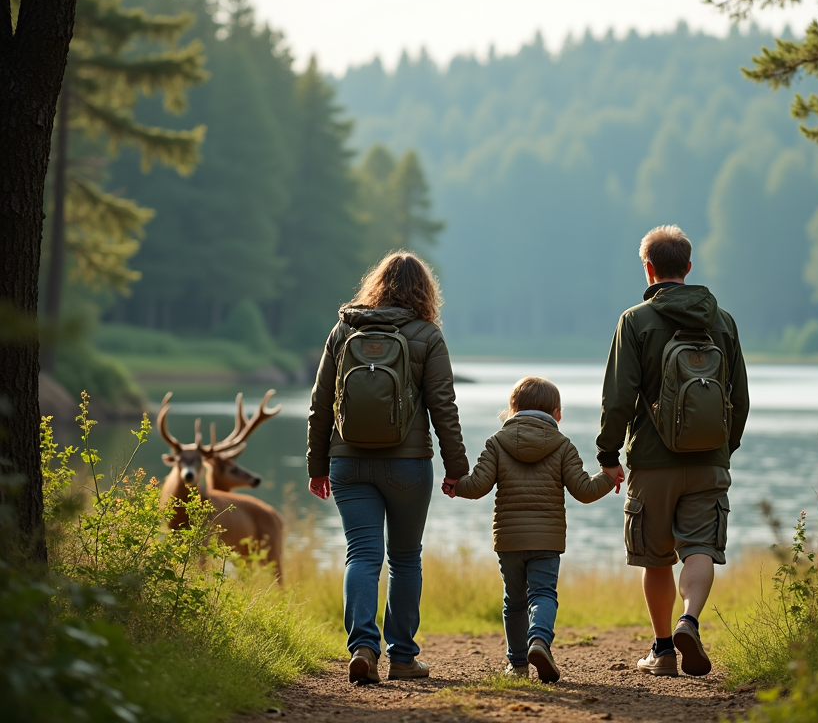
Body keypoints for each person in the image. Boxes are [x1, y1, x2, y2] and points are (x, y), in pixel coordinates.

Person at [306, 251, 470, 684]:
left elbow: (321, 404)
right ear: (425, 290)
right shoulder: (427, 335)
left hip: (347, 463)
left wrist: (316, 465)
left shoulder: (344, 330)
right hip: (408, 465)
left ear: (375, 284)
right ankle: (402, 657)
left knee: (361, 554)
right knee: (404, 558)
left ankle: (362, 646)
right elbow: (443, 407)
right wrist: (457, 468)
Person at [596, 225, 749, 678]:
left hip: (652, 460)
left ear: (648, 268)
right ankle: (690, 621)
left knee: (655, 556)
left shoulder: (635, 320)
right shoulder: (722, 321)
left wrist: (608, 454)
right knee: (700, 546)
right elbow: (738, 397)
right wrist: (723, 448)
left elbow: (619, 398)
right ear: (687, 267)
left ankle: (663, 651)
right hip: (709, 459)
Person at [445, 376, 619, 682]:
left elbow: (477, 486)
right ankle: (539, 640)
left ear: (512, 408)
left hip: (509, 539)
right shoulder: (563, 445)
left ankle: (518, 664)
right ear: (558, 413)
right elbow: (584, 491)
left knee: (514, 601)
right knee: (543, 594)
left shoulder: (497, 442)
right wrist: (608, 477)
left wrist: (455, 487)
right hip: (547, 539)